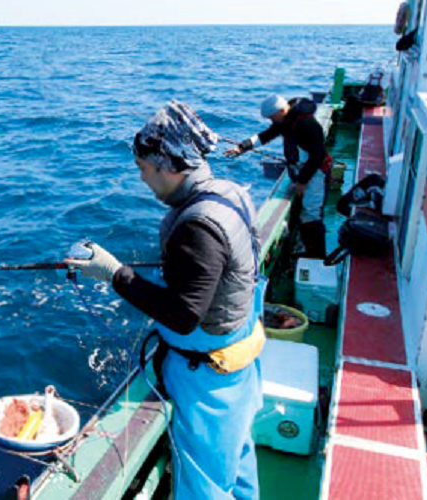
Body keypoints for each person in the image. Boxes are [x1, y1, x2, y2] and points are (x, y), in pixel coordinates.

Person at [66, 100, 266, 500]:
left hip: (207, 378)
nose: (142, 179)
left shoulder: (197, 226)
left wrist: (114, 274)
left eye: (143, 169)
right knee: (237, 458)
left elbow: (183, 315)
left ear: (167, 165)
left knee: (205, 483)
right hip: (241, 360)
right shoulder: (230, 192)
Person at [225, 94, 331, 259]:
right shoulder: (285, 120)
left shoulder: (308, 125)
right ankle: (303, 245)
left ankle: (316, 255)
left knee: (312, 213)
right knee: (302, 210)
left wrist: (303, 181)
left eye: (272, 117)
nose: (271, 121)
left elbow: (317, 156)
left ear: (282, 110)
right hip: (300, 171)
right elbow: (266, 135)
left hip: (315, 173)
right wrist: (242, 147)